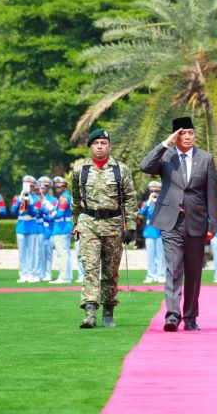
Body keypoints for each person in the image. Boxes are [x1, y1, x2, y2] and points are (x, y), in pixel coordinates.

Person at [139, 117, 217, 332]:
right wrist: (165, 143)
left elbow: (212, 193)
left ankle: (191, 317)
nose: (188, 137)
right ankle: (172, 316)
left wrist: (214, 224)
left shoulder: (206, 158)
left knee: (194, 272)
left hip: (196, 221)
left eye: (191, 133)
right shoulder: (166, 156)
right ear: (176, 136)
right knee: (173, 268)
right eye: (183, 133)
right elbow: (145, 166)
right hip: (170, 221)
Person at [71, 129, 138, 329]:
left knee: (110, 272)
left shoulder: (121, 169)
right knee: (90, 268)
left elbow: (129, 199)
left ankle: (108, 310)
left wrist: (131, 226)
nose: (100, 146)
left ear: (109, 146)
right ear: (90, 146)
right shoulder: (79, 169)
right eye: (96, 143)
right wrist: (76, 224)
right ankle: (90, 313)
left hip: (113, 225)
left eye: (103, 142)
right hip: (88, 223)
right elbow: (76, 199)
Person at [139, 181, 165, 284]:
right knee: (150, 256)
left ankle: (161, 275)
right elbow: (141, 213)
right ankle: (151, 275)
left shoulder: (162, 202)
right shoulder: (146, 203)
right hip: (149, 231)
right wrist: (149, 201)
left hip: (159, 231)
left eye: (156, 191)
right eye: (152, 191)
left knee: (161, 255)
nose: (154, 192)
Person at [50, 176, 73, 283]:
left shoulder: (64, 198)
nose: (57, 188)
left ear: (64, 187)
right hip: (65, 226)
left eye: (60, 186)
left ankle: (63, 276)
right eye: (56, 186)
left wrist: (51, 213)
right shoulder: (64, 197)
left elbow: (59, 214)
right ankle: (67, 276)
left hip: (61, 227)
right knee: (65, 253)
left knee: (62, 254)